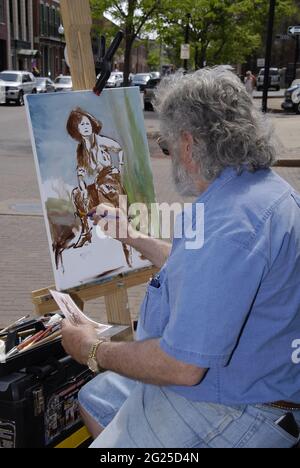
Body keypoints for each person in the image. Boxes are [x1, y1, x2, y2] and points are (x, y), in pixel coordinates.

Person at [61, 67, 300, 448]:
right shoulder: (257, 188)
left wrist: (92, 349)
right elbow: (210, 273)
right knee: (97, 399)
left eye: (167, 146)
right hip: (256, 383)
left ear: (189, 143)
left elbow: (182, 366)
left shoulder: (231, 221)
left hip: (239, 405)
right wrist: (134, 237)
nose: (170, 157)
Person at [66, 108, 131, 265]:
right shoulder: (81, 148)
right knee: (77, 194)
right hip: (97, 181)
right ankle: (86, 232)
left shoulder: (101, 140)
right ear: (77, 129)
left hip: (109, 177)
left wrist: (120, 166)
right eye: (82, 125)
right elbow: (80, 171)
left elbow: (119, 148)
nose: (86, 126)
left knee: (104, 190)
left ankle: (125, 231)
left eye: (88, 123)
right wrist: (81, 184)